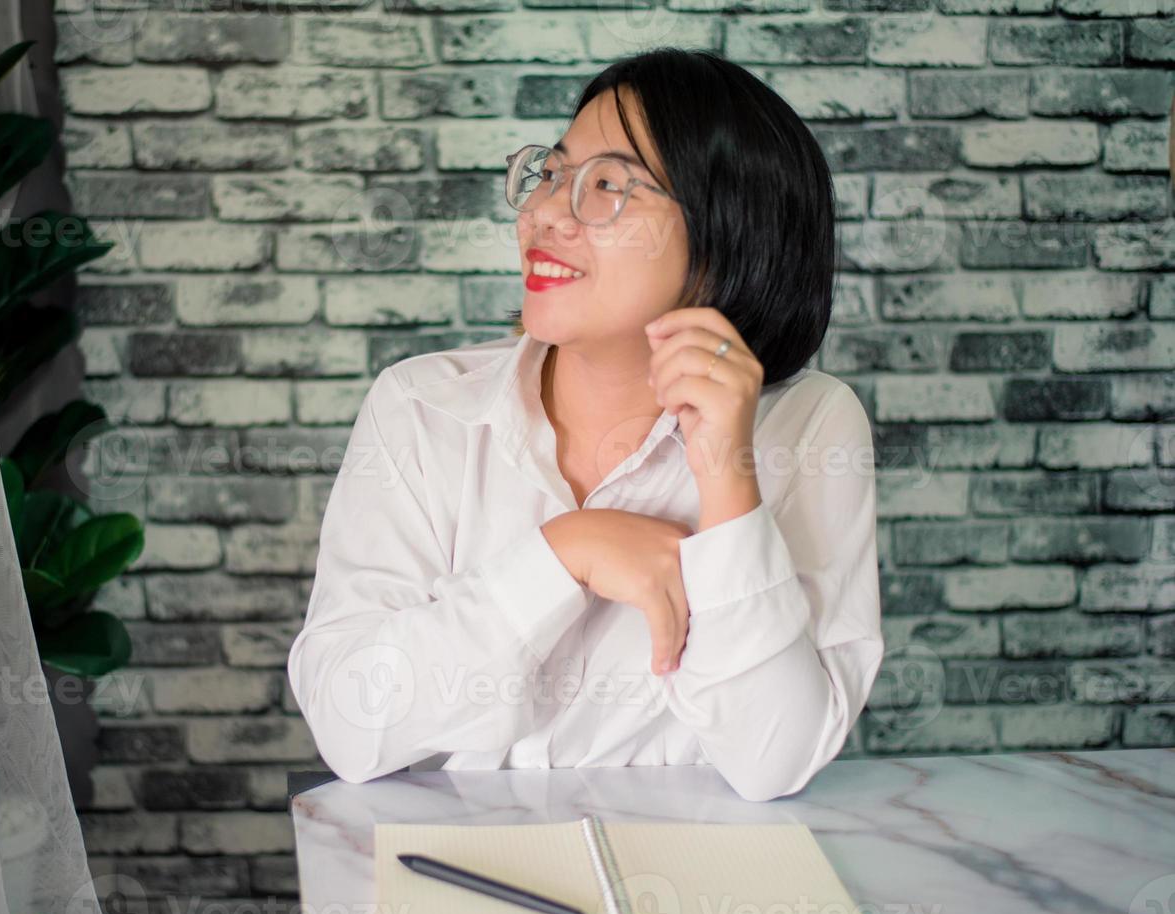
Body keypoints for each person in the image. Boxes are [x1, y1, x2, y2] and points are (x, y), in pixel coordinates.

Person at [286, 48, 883, 802]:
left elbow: (774, 760)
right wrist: (563, 554)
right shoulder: (421, 408)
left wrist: (727, 480)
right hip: (461, 883)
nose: (539, 214)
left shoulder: (810, 426)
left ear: (725, 235)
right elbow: (349, 727)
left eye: (606, 186)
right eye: (552, 173)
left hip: (691, 892)